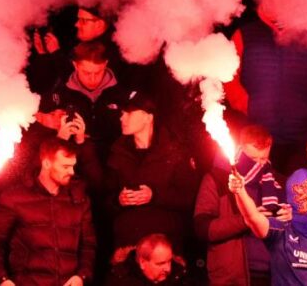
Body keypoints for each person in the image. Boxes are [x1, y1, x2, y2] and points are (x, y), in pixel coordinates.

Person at [224, 0, 307, 170]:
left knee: (299, 191)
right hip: (257, 135)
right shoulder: (245, 34)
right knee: (258, 192)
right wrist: (246, 104)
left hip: (302, 134)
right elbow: (227, 76)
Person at [0, 138, 97, 286]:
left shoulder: (78, 198)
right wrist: (2, 279)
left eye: (73, 166)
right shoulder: (14, 197)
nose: (71, 172)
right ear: (46, 163)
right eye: (65, 166)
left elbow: (88, 244)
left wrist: (81, 276)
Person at [195, 125, 286, 285]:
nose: (259, 164)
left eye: (263, 158)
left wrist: (292, 217)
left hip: (274, 274)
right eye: (252, 159)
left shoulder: (277, 181)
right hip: (233, 276)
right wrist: (247, 220)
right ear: (239, 150)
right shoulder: (217, 179)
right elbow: (204, 229)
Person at [106, 94, 198, 250]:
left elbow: (190, 198)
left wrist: (154, 195)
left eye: (129, 113)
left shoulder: (174, 151)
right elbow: (103, 198)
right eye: (122, 113)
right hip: (128, 243)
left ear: (148, 117)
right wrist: (118, 200)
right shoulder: (117, 152)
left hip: (165, 243)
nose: (122, 118)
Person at [46, 40, 131, 163]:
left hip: (115, 161)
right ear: (75, 65)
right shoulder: (62, 93)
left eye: (98, 72)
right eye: (86, 73)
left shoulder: (121, 92)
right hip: (76, 160)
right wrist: (61, 136)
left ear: (106, 64)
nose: (92, 79)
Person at [107, 233, 189, 285]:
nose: (168, 268)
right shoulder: (120, 281)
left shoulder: (180, 277)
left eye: (169, 262)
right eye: (160, 263)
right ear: (142, 263)